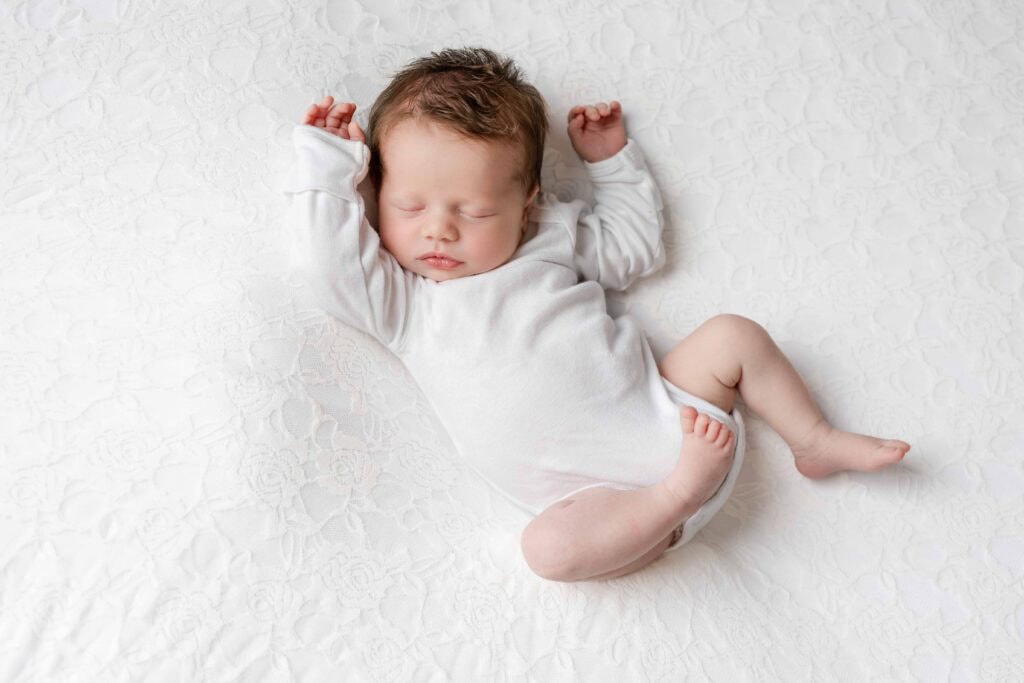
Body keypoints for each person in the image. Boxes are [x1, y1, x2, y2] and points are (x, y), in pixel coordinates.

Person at [285, 47, 911, 583]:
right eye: (410, 206)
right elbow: (329, 264)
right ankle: (677, 496)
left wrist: (610, 164)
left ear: (526, 204)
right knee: (547, 552)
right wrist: (329, 167)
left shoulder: (549, 237)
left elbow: (636, 250)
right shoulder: (406, 303)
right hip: (603, 507)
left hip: (671, 411)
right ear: (377, 194)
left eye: (473, 212)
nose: (440, 231)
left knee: (732, 335)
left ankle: (813, 439)